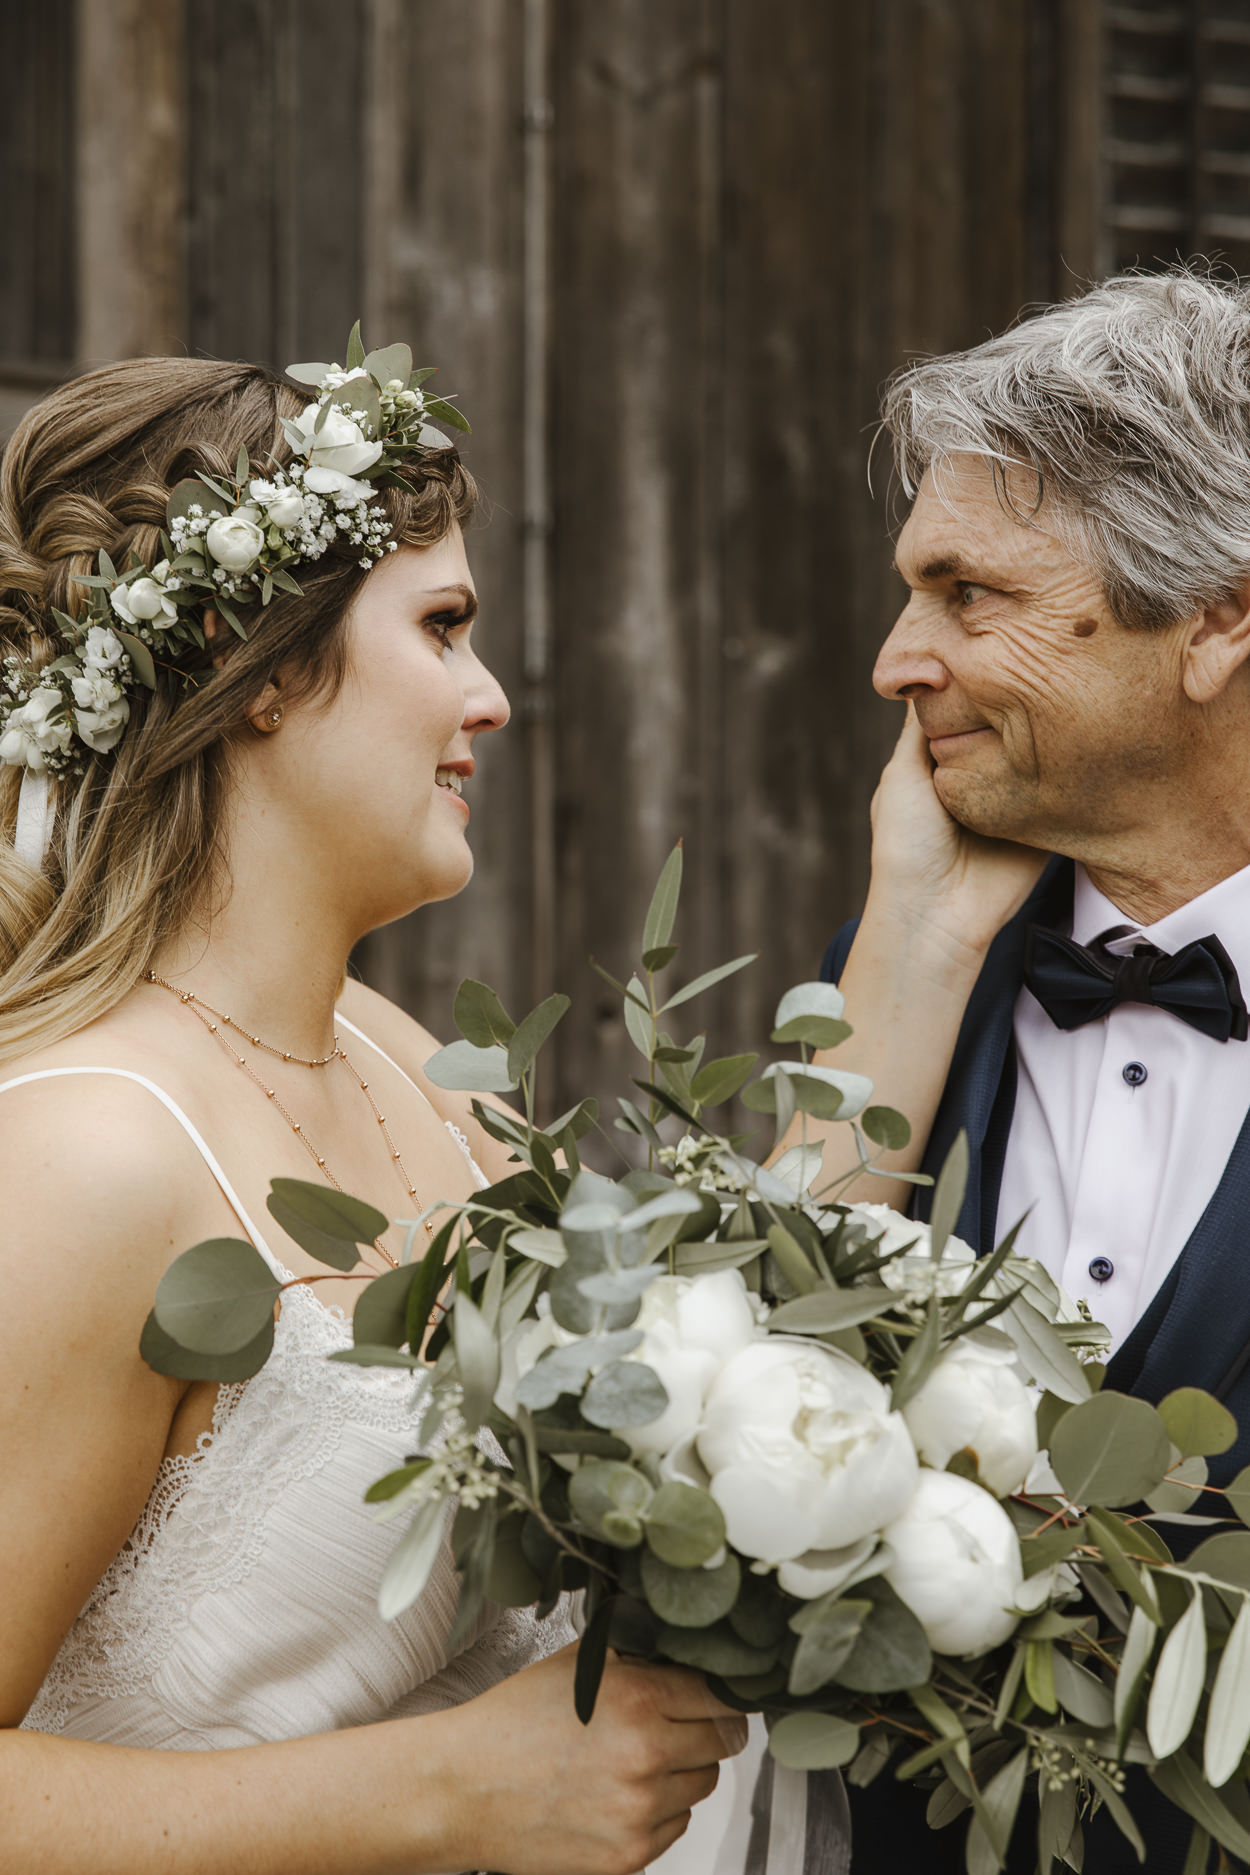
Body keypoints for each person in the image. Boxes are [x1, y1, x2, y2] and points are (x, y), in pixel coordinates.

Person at [0, 347, 748, 1873]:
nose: (491, 697)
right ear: (257, 662)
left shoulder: (394, 1054)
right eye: (444, 627)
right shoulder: (86, 1157)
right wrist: (452, 1793)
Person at [820, 264, 1250, 1874]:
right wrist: (908, 947)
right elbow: (701, 1456)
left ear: (1218, 617)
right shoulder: (880, 983)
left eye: (965, 595)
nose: (893, 660)